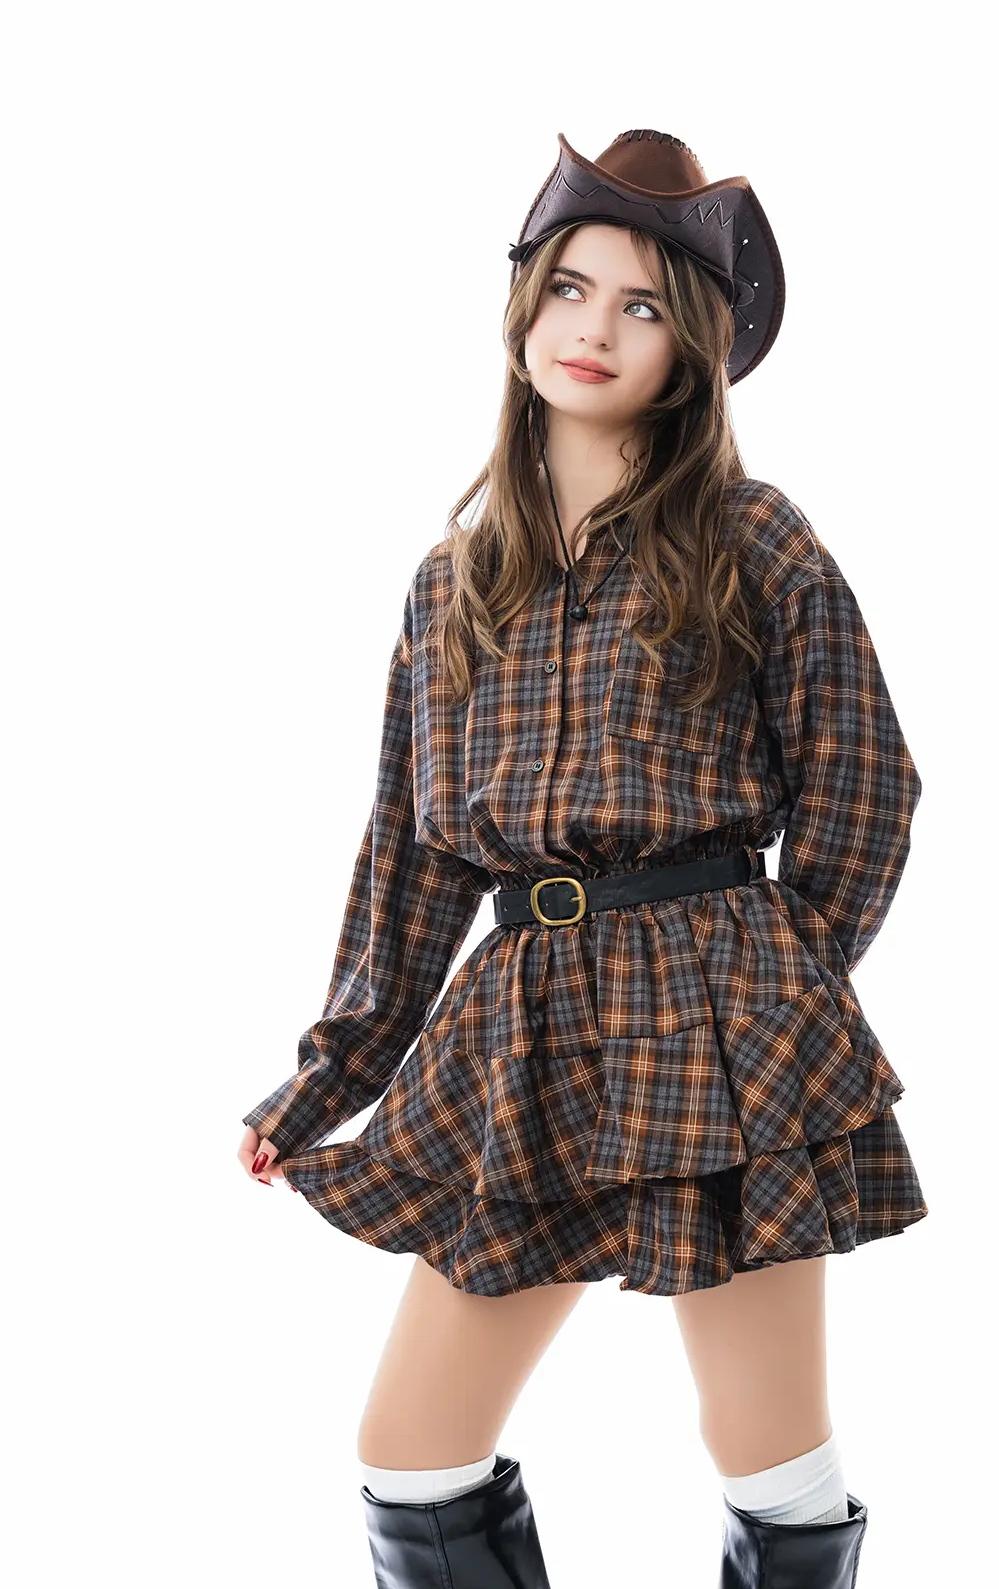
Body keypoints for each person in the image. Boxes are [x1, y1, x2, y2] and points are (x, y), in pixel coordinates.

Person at [237, 129, 926, 1588]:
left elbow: (866, 784)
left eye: (642, 304)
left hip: (718, 1022)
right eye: (570, 288)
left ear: (693, 351)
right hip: (525, 1027)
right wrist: (326, 1080)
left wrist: (778, 991)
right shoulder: (452, 584)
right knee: (413, 1455)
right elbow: (411, 859)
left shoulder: (750, 538)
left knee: (773, 1462)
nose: (594, 328)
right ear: (523, 306)